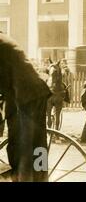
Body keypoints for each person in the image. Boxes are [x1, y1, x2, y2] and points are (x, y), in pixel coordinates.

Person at [0, 33, 52, 181]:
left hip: (24, 97)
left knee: (22, 150)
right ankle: (41, 178)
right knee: (38, 146)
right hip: (33, 93)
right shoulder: (3, 39)